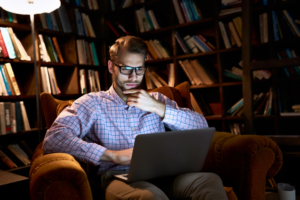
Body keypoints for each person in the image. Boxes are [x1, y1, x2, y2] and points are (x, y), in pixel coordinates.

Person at [42, 36, 228, 200]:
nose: (133, 76)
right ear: (110, 67)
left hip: (167, 175)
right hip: (118, 177)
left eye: (139, 69)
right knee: (149, 196)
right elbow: (54, 139)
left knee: (209, 181)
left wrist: (158, 108)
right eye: (126, 69)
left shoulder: (158, 100)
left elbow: (201, 127)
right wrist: (112, 155)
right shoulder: (92, 103)